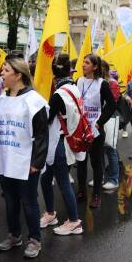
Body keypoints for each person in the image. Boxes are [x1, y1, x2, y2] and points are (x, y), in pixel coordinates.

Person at [0, 55, 48, 258]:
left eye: (6, 70)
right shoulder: (1, 100)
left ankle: (35, 240)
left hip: (26, 162)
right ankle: (14, 235)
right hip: (5, 160)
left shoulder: (34, 101)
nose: (1, 73)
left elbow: (42, 134)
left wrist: (37, 163)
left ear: (18, 74)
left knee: (29, 202)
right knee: (11, 200)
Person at [39, 54, 83, 236]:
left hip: (59, 143)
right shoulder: (74, 88)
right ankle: (50, 214)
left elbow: (47, 120)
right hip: (66, 140)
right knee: (46, 178)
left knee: (63, 182)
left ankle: (74, 221)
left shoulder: (58, 94)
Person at [75, 54, 117, 208]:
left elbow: (111, 105)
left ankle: (96, 195)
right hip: (80, 129)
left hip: (95, 130)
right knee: (81, 161)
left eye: (87, 63)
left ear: (95, 67)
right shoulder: (78, 81)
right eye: (83, 62)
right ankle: (81, 191)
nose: (83, 65)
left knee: (96, 163)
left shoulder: (102, 84)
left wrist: (99, 123)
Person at [100, 61, 120, 191]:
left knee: (110, 148)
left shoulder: (112, 83)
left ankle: (114, 179)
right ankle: (99, 177)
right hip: (97, 118)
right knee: (98, 150)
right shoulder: (94, 82)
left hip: (110, 118)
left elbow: (112, 103)